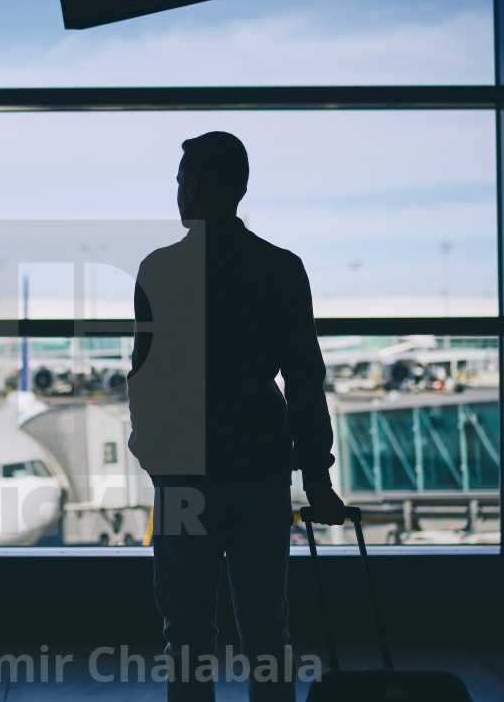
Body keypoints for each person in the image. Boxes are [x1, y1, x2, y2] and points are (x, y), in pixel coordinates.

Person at [127, 131, 345, 702]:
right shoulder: (281, 267)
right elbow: (304, 378)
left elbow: (145, 377)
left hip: (185, 475)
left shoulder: (160, 270)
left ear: (195, 186)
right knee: (268, 631)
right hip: (260, 468)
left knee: (188, 633)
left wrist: (154, 458)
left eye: (178, 182)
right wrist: (317, 481)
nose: (175, 193)